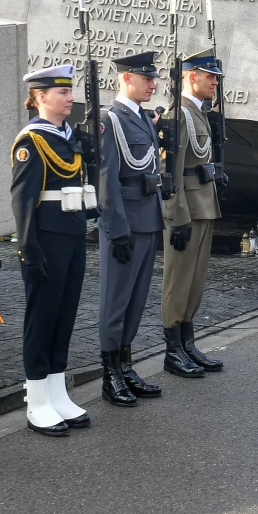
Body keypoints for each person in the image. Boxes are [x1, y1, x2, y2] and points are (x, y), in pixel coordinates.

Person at [11, 65, 92, 437]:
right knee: (41, 319)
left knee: (64, 315)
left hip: (72, 234)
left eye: (70, 91)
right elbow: (23, 199)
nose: (70, 97)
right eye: (62, 92)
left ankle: (57, 391)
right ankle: (37, 400)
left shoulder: (68, 136)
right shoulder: (32, 140)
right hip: (46, 239)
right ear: (41, 97)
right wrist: (29, 248)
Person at [97, 51, 166, 405]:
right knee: (116, 301)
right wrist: (116, 228)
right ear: (126, 79)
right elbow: (106, 180)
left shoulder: (140, 117)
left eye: (153, 78)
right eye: (146, 78)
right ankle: (110, 375)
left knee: (136, 300)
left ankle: (125, 365)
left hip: (148, 219)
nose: (153, 84)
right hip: (124, 225)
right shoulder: (110, 119)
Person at [160, 47, 225, 377]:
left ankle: (187, 341)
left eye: (216, 77)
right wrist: (177, 216)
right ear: (190, 76)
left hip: (204, 205)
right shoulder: (178, 115)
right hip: (186, 211)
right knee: (178, 280)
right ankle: (172, 349)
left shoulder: (198, 112)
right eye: (210, 76)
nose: (215, 82)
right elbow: (171, 170)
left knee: (195, 281)